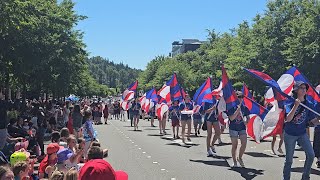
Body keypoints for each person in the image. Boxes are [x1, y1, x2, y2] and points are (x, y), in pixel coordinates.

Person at [283, 81, 320, 180]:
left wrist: (318, 120)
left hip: (302, 133)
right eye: (301, 88)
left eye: (305, 88)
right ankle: (286, 178)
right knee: (289, 160)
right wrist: (295, 105)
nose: (304, 90)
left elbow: (312, 122)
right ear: (296, 90)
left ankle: (305, 177)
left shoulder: (309, 104)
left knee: (311, 155)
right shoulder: (289, 102)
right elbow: (288, 119)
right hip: (290, 134)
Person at [227, 92, 249, 167]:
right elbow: (231, 118)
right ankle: (234, 161)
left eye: (242, 97)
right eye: (239, 97)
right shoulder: (231, 107)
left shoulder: (245, 107)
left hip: (242, 127)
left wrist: (247, 121)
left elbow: (248, 117)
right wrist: (237, 111)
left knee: (244, 143)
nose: (240, 99)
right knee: (234, 145)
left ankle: (239, 157)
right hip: (233, 128)